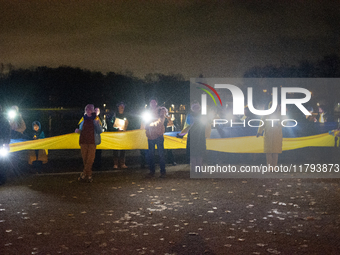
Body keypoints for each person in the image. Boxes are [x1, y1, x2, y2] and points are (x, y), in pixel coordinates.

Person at [179, 101, 211, 171]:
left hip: (200, 137)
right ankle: (194, 170)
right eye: (194, 107)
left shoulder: (203, 116)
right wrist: (181, 134)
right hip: (192, 137)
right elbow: (186, 127)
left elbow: (207, 125)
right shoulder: (189, 116)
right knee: (193, 154)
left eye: (197, 107)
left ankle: (199, 170)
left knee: (200, 154)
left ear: (199, 108)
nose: (196, 108)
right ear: (192, 108)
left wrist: (207, 135)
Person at [75, 104, 102, 183]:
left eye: (90, 109)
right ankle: (89, 175)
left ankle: (84, 174)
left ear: (93, 110)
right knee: (85, 159)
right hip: (83, 141)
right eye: (87, 109)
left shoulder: (96, 119)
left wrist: (97, 124)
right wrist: (77, 131)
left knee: (90, 159)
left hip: (92, 142)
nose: (88, 110)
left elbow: (100, 131)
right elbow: (80, 129)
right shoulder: (83, 119)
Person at [141, 98, 166, 178]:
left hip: (158, 135)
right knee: (150, 155)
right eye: (151, 102)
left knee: (161, 154)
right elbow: (144, 122)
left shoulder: (161, 110)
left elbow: (161, 121)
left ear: (156, 103)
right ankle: (152, 171)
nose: (152, 104)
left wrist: (150, 124)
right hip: (150, 136)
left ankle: (162, 171)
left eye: (154, 102)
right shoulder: (147, 112)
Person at [256, 102, 283, 167]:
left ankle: (274, 166)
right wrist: (259, 132)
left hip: (277, 135)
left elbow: (284, 122)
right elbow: (262, 123)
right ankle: (269, 166)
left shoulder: (280, 114)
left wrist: (278, 123)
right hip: (268, 134)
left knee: (275, 152)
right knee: (268, 152)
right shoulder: (266, 115)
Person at [112, 102, 129, 169]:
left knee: (123, 149)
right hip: (116, 134)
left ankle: (122, 163)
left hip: (123, 134)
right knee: (115, 149)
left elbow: (128, 124)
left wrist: (126, 125)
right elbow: (111, 124)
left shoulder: (126, 115)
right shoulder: (114, 115)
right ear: (118, 107)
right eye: (120, 106)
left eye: (123, 106)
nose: (122, 108)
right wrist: (116, 127)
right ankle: (115, 163)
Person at [0, 104, 11, 185]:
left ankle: (2, 179)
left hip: (2, 143)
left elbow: (7, 132)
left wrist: (7, 142)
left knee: (2, 162)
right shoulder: (4, 120)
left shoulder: (4, 120)